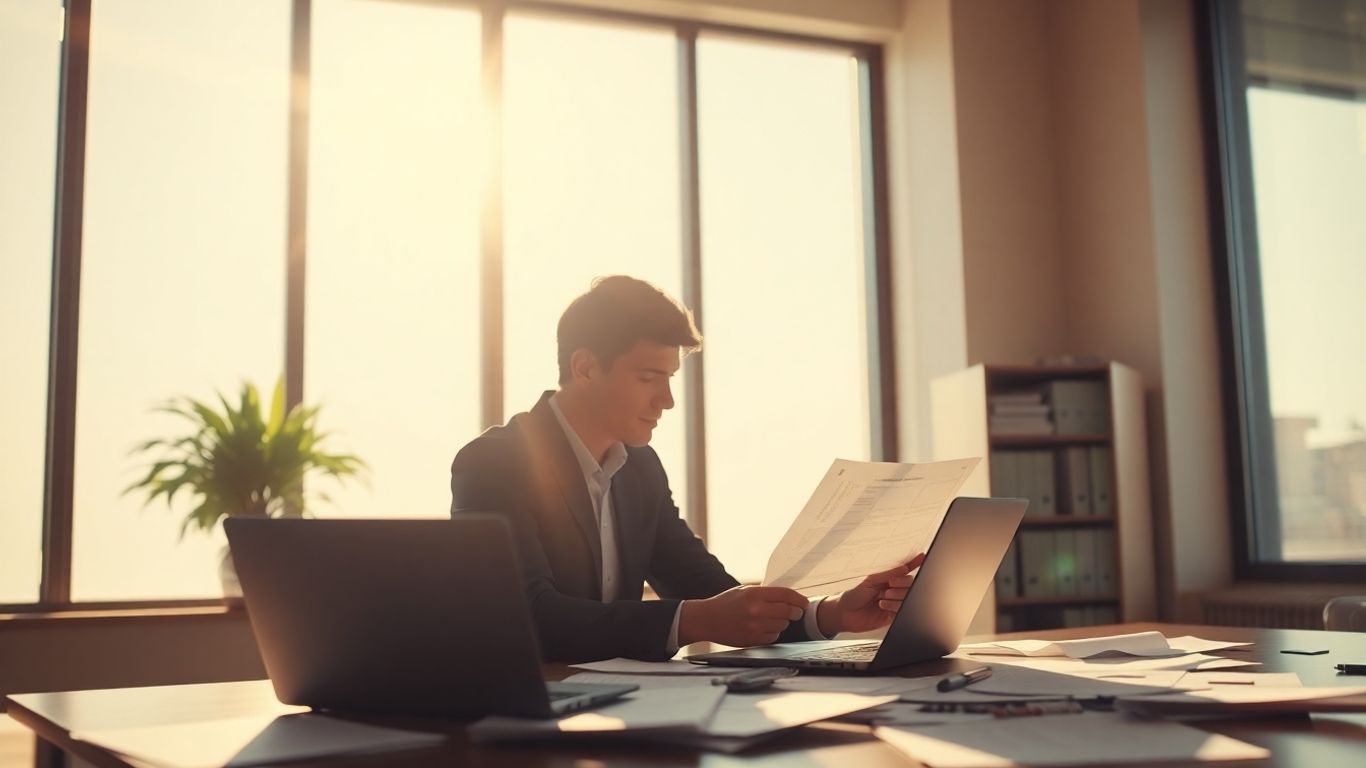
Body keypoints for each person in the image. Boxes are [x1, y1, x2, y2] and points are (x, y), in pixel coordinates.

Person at [450, 276, 922, 663]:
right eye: (649, 378)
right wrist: (697, 621)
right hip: (528, 712)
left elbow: (709, 591)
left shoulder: (639, 468)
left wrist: (834, 614)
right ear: (586, 368)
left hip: (622, 709)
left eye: (669, 379)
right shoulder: (496, 462)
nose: (667, 401)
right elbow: (528, 618)